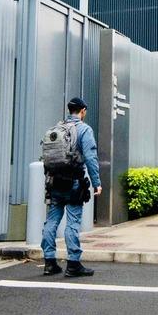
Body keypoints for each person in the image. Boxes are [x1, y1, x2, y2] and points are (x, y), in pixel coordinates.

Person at [40, 97, 102, 278]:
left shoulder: (56, 129)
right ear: (83, 111)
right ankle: (73, 264)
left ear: (69, 111)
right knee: (73, 222)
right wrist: (97, 183)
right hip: (73, 183)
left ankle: (49, 262)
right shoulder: (84, 129)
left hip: (54, 183)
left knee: (51, 221)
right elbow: (91, 158)